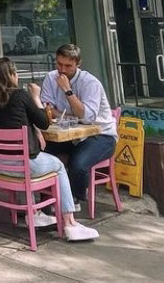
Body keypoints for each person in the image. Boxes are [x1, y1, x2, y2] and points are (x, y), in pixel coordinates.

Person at [0, 57, 98, 241]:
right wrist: (35, 96)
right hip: (22, 165)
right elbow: (44, 122)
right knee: (58, 165)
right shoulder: (20, 95)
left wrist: (33, 130)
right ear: (12, 75)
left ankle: (34, 212)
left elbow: (13, 121)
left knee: (23, 159)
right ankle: (70, 223)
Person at [39, 43, 118, 210]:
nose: (62, 69)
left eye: (68, 66)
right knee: (44, 154)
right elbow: (47, 108)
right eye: (59, 64)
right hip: (69, 133)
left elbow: (87, 118)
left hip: (101, 134)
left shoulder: (90, 83)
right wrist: (67, 115)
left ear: (78, 64)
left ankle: (75, 200)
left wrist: (67, 90)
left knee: (78, 164)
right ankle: (47, 204)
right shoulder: (50, 77)